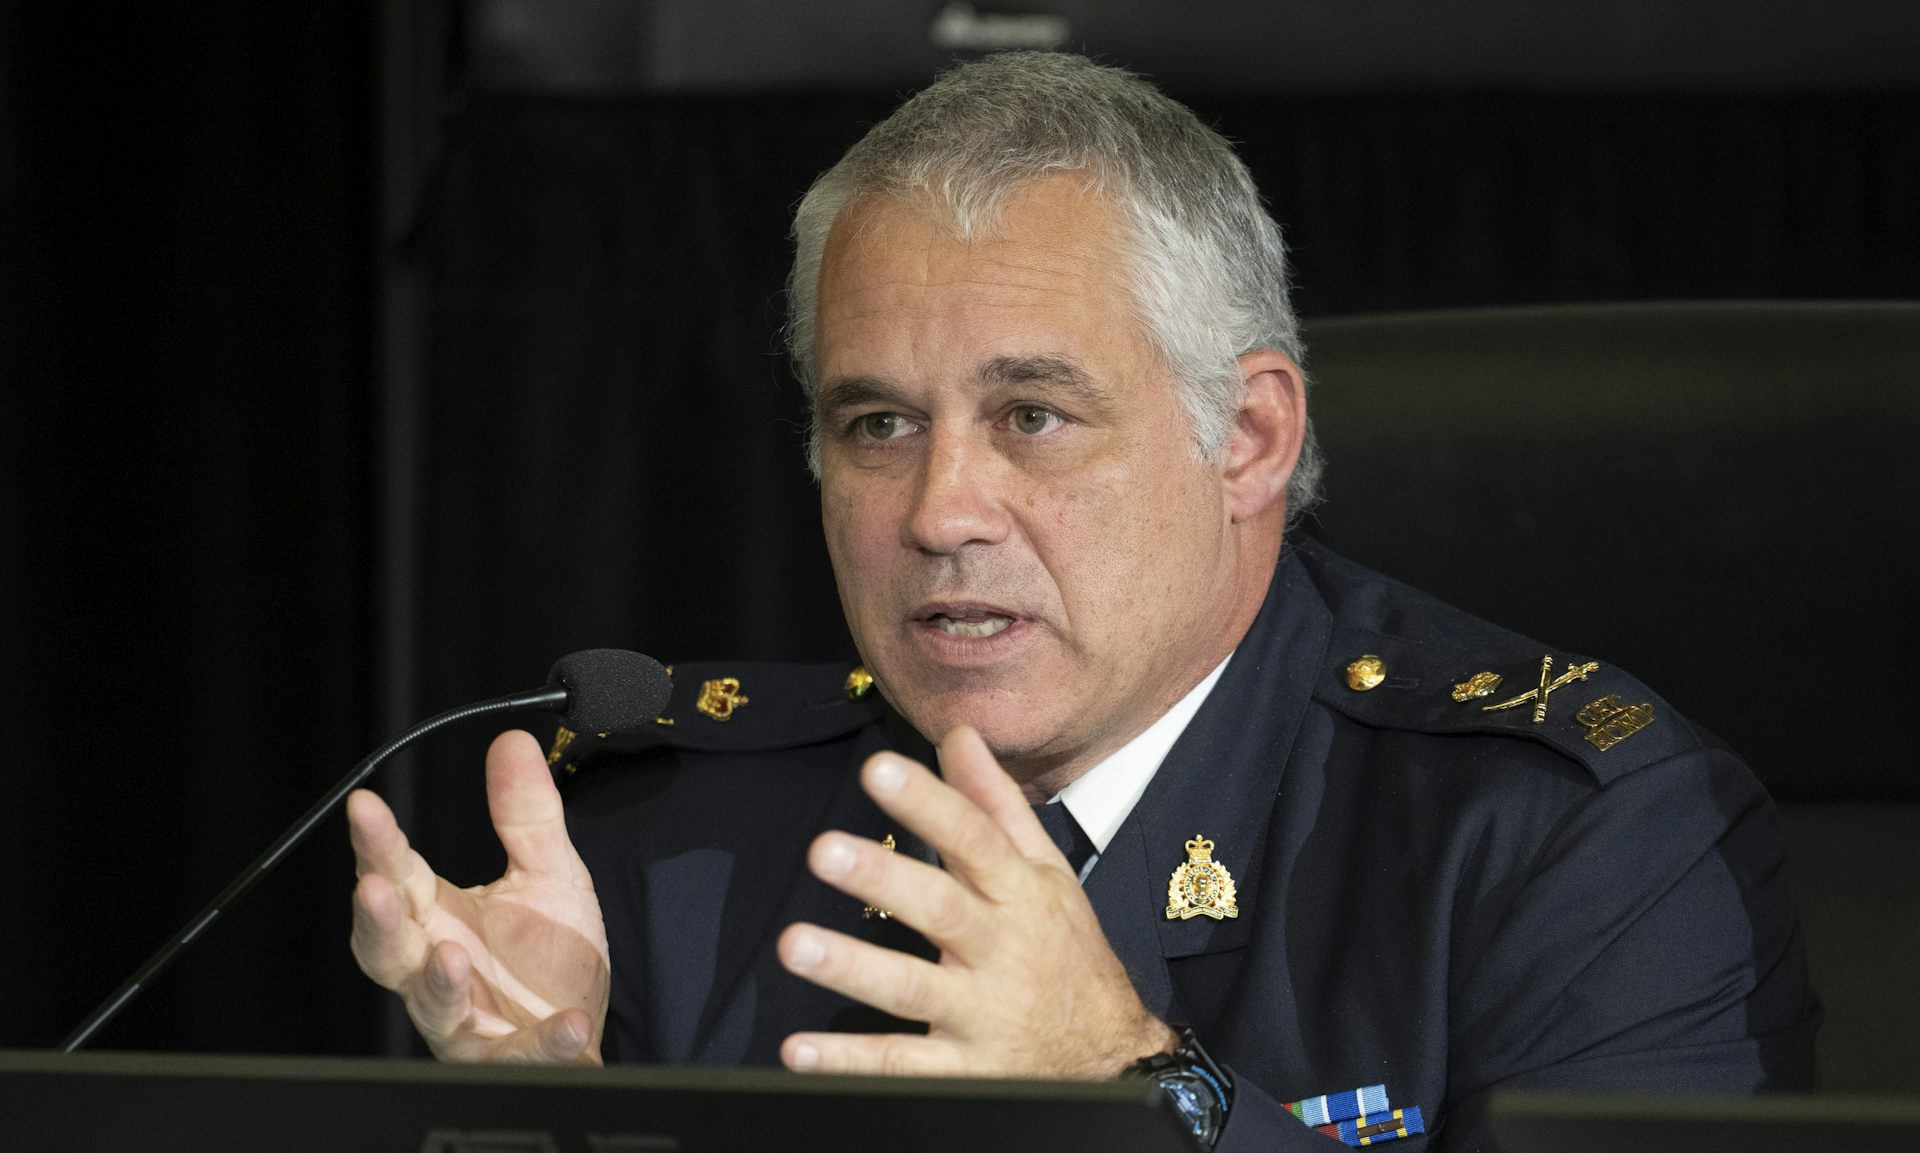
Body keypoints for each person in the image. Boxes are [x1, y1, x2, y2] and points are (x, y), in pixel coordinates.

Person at [346, 51, 1817, 1150]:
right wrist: (546, 1123)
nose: (940, 512)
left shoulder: (1578, 840)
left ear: (1247, 438)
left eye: (1032, 415)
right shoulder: (674, 842)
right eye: (877, 425)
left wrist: (1131, 1082)